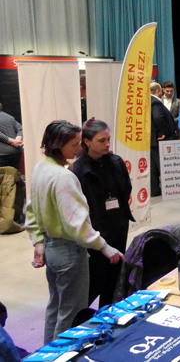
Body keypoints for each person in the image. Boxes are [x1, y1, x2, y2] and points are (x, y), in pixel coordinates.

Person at [24, 120, 123, 343]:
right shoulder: (64, 177)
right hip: (69, 252)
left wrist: (39, 243)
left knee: (56, 306)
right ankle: (63, 356)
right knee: (71, 314)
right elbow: (77, 226)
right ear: (58, 146)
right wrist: (104, 247)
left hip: (52, 250)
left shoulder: (41, 168)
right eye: (74, 145)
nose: (79, 149)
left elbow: (30, 211)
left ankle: (47, 354)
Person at [71, 119, 133, 307]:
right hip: (95, 234)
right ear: (87, 141)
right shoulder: (78, 171)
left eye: (108, 139)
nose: (107, 144)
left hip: (118, 228)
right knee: (95, 281)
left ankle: (109, 318)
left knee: (114, 282)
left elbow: (126, 189)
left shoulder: (116, 162)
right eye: (101, 140)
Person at [150, 82, 177, 196]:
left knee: (153, 166)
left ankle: (155, 189)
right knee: (163, 165)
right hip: (161, 139)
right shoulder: (155, 102)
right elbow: (158, 117)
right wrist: (163, 132)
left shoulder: (147, 101)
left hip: (152, 139)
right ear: (158, 91)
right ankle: (170, 189)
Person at [0, 103, 23, 170]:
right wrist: (18, 138)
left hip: (2, 154)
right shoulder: (10, 117)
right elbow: (20, 128)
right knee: (14, 176)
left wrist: (11, 141)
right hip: (15, 152)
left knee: (3, 178)